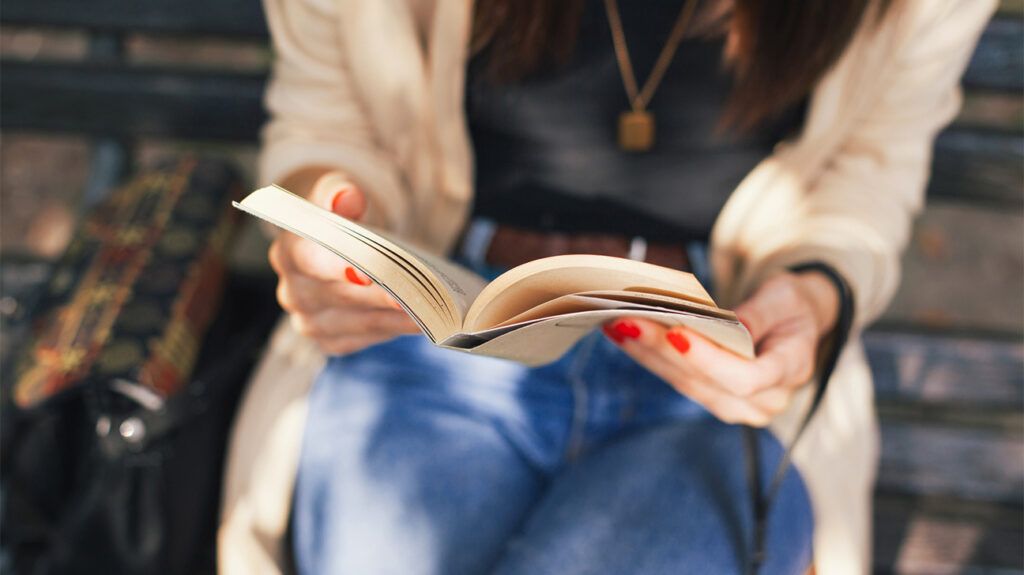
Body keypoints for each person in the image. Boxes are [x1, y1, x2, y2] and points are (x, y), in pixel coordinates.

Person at [217, 1, 995, 574]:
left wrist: (816, 298)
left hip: (715, 362)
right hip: (437, 333)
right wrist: (331, 220)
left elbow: (872, 170)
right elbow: (327, 110)